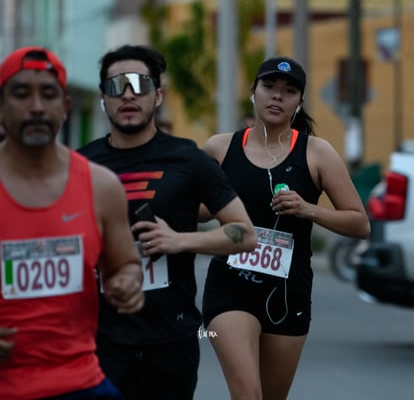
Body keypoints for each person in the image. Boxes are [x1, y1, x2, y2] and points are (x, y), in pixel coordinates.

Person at [77, 44, 257, 400]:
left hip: (170, 338)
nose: (128, 94)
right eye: (116, 86)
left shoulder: (188, 159)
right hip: (98, 339)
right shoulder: (80, 165)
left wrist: (180, 240)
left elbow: (246, 235)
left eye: (140, 84)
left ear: (158, 95)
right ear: (103, 98)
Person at [201, 56, 371, 400]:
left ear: (299, 102)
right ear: (253, 93)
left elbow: (360, 223)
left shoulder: (317, 153)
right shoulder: (219, 148)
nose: (277, 96)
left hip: (287, 294)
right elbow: (197, 211)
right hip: (227, 291)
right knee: (248, 393)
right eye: (269, 87)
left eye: (289, 90)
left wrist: (308, 210)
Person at [0, 46, 145, 400]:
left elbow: (125, 263)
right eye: (21, 94)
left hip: (80, 382)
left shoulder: (101, 186)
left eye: (48, 94)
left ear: (64, 108)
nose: (36, 106)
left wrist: (127, 282)